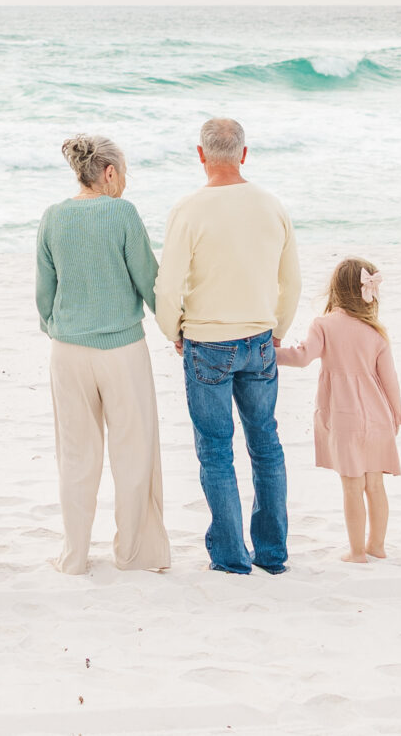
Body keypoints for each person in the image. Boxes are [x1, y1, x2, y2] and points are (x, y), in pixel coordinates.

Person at [155, 115, 301, 575]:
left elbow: (167, 285)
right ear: (244, 153)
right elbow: (291, 280)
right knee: (266, 443)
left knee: (216, 450)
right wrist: (277, 329)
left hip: (206, 342)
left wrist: (172, 330)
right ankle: (273, 555)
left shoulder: (188, 209)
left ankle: (232, 558)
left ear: (201, 156)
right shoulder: (271, 204)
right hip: (259, 338)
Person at [34, 134, 169, 574]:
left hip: (67, 352)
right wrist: (175, 330)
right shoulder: (122, 213)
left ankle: (74, 556)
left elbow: (44, 294)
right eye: (123, 173)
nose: (124, 181)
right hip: (122, 349)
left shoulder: (52, 217)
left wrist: (58, 329)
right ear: (109, 173)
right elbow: (149, 281)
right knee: (134, 451)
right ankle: (134, 553)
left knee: (75, 455)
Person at [277, 257, 401, 563]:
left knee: (352, 486)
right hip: (378, 416)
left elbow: (302, 357)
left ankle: (357, 552)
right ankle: (377, 545)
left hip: (345, 418)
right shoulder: (376, 331)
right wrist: (397, 414)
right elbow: (390, 379)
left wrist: (269, 352)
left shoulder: (324, 325)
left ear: (334, 290)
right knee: (375, 484)